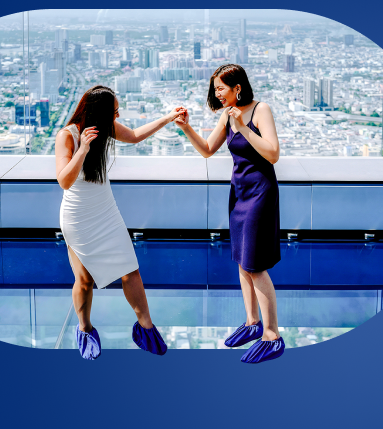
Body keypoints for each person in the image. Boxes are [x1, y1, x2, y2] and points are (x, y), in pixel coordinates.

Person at [55, 85, 184, 360]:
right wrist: (83, 149)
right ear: (97, 113)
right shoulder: (68, 135)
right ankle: (85, 329)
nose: (118, 115)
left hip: (106, 211)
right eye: (114, 111)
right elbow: (64, 180)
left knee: (130, 269)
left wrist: (168, 117)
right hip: (78, 217)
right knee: (85, 280)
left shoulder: (106, 127)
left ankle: (146, 329)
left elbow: (136, 136)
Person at [173, 64, 284, 363]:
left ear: (237, 87)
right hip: (239, 193)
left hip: (261, 193)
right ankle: (252, 323)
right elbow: (208, 149)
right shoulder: (227, 114)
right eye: (215, 89)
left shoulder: (261, 110)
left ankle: (272, 335)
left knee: (255, 264)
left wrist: (244, 128)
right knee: (241, 259)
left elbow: (273, 153)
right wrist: (186, 127)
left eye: (220, 88)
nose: (216, 94)